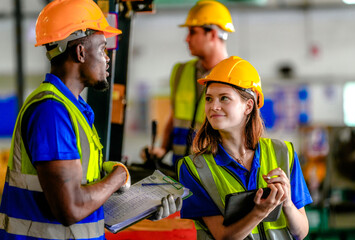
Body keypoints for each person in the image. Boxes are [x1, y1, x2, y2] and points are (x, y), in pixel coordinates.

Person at [0, 0, 181, 239]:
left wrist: (141, 207)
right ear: (80, 52)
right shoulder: (51, 113)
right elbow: (70, 209)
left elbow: (82, 197)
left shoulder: (74, 110)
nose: (108, 59)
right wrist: (118, 177)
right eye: (103, 48)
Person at [176, 56, 313, 240]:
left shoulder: (283, 152)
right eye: (209, 99)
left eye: (224, 98)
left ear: (248, 106)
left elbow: (301, 232)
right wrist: (260, 211)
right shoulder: (194, 168)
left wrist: (287, 202)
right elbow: (223, 236)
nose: (213, 106)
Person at [141, 0, 235, 168]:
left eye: (193, 32)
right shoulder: (180, 71)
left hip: (213, 175)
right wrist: (162, 149)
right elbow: (174, 116)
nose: (186, 38)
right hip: (179, 170)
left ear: (212, 34)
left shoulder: (235, 77)